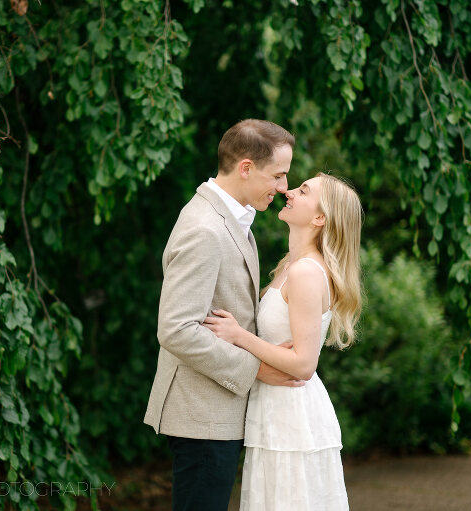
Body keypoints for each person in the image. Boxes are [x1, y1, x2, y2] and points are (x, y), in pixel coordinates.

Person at [143, 119, 303, 511]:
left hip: (216, 410)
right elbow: (177, 330)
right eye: (278, 175)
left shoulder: (231, 219)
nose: (283, 187)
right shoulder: (205, 228)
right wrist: (256, 369)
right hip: (201, 415)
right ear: (246, 167)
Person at [203, 172, 363, 510]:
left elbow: (304, 365)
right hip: (275, 411)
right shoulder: (291, 265)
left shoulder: (306, 273)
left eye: (302, 191)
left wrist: (239, 336)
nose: (288, 192)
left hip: (292, 419)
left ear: (320, 218)